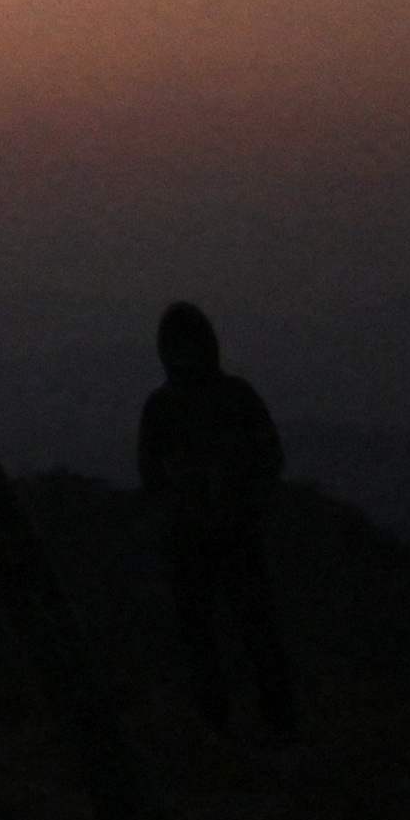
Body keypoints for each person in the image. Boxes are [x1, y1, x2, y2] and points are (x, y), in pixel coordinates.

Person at [137, 301, 298, 747]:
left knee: (251, 629)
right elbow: (149, 472)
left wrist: (236, 496)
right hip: (193, 538)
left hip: (231, 532)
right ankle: (220, 722)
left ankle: (276, 721)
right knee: (204, 634)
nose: (182, 356)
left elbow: (269, 459)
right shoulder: (167, 406)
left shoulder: (230, 398)